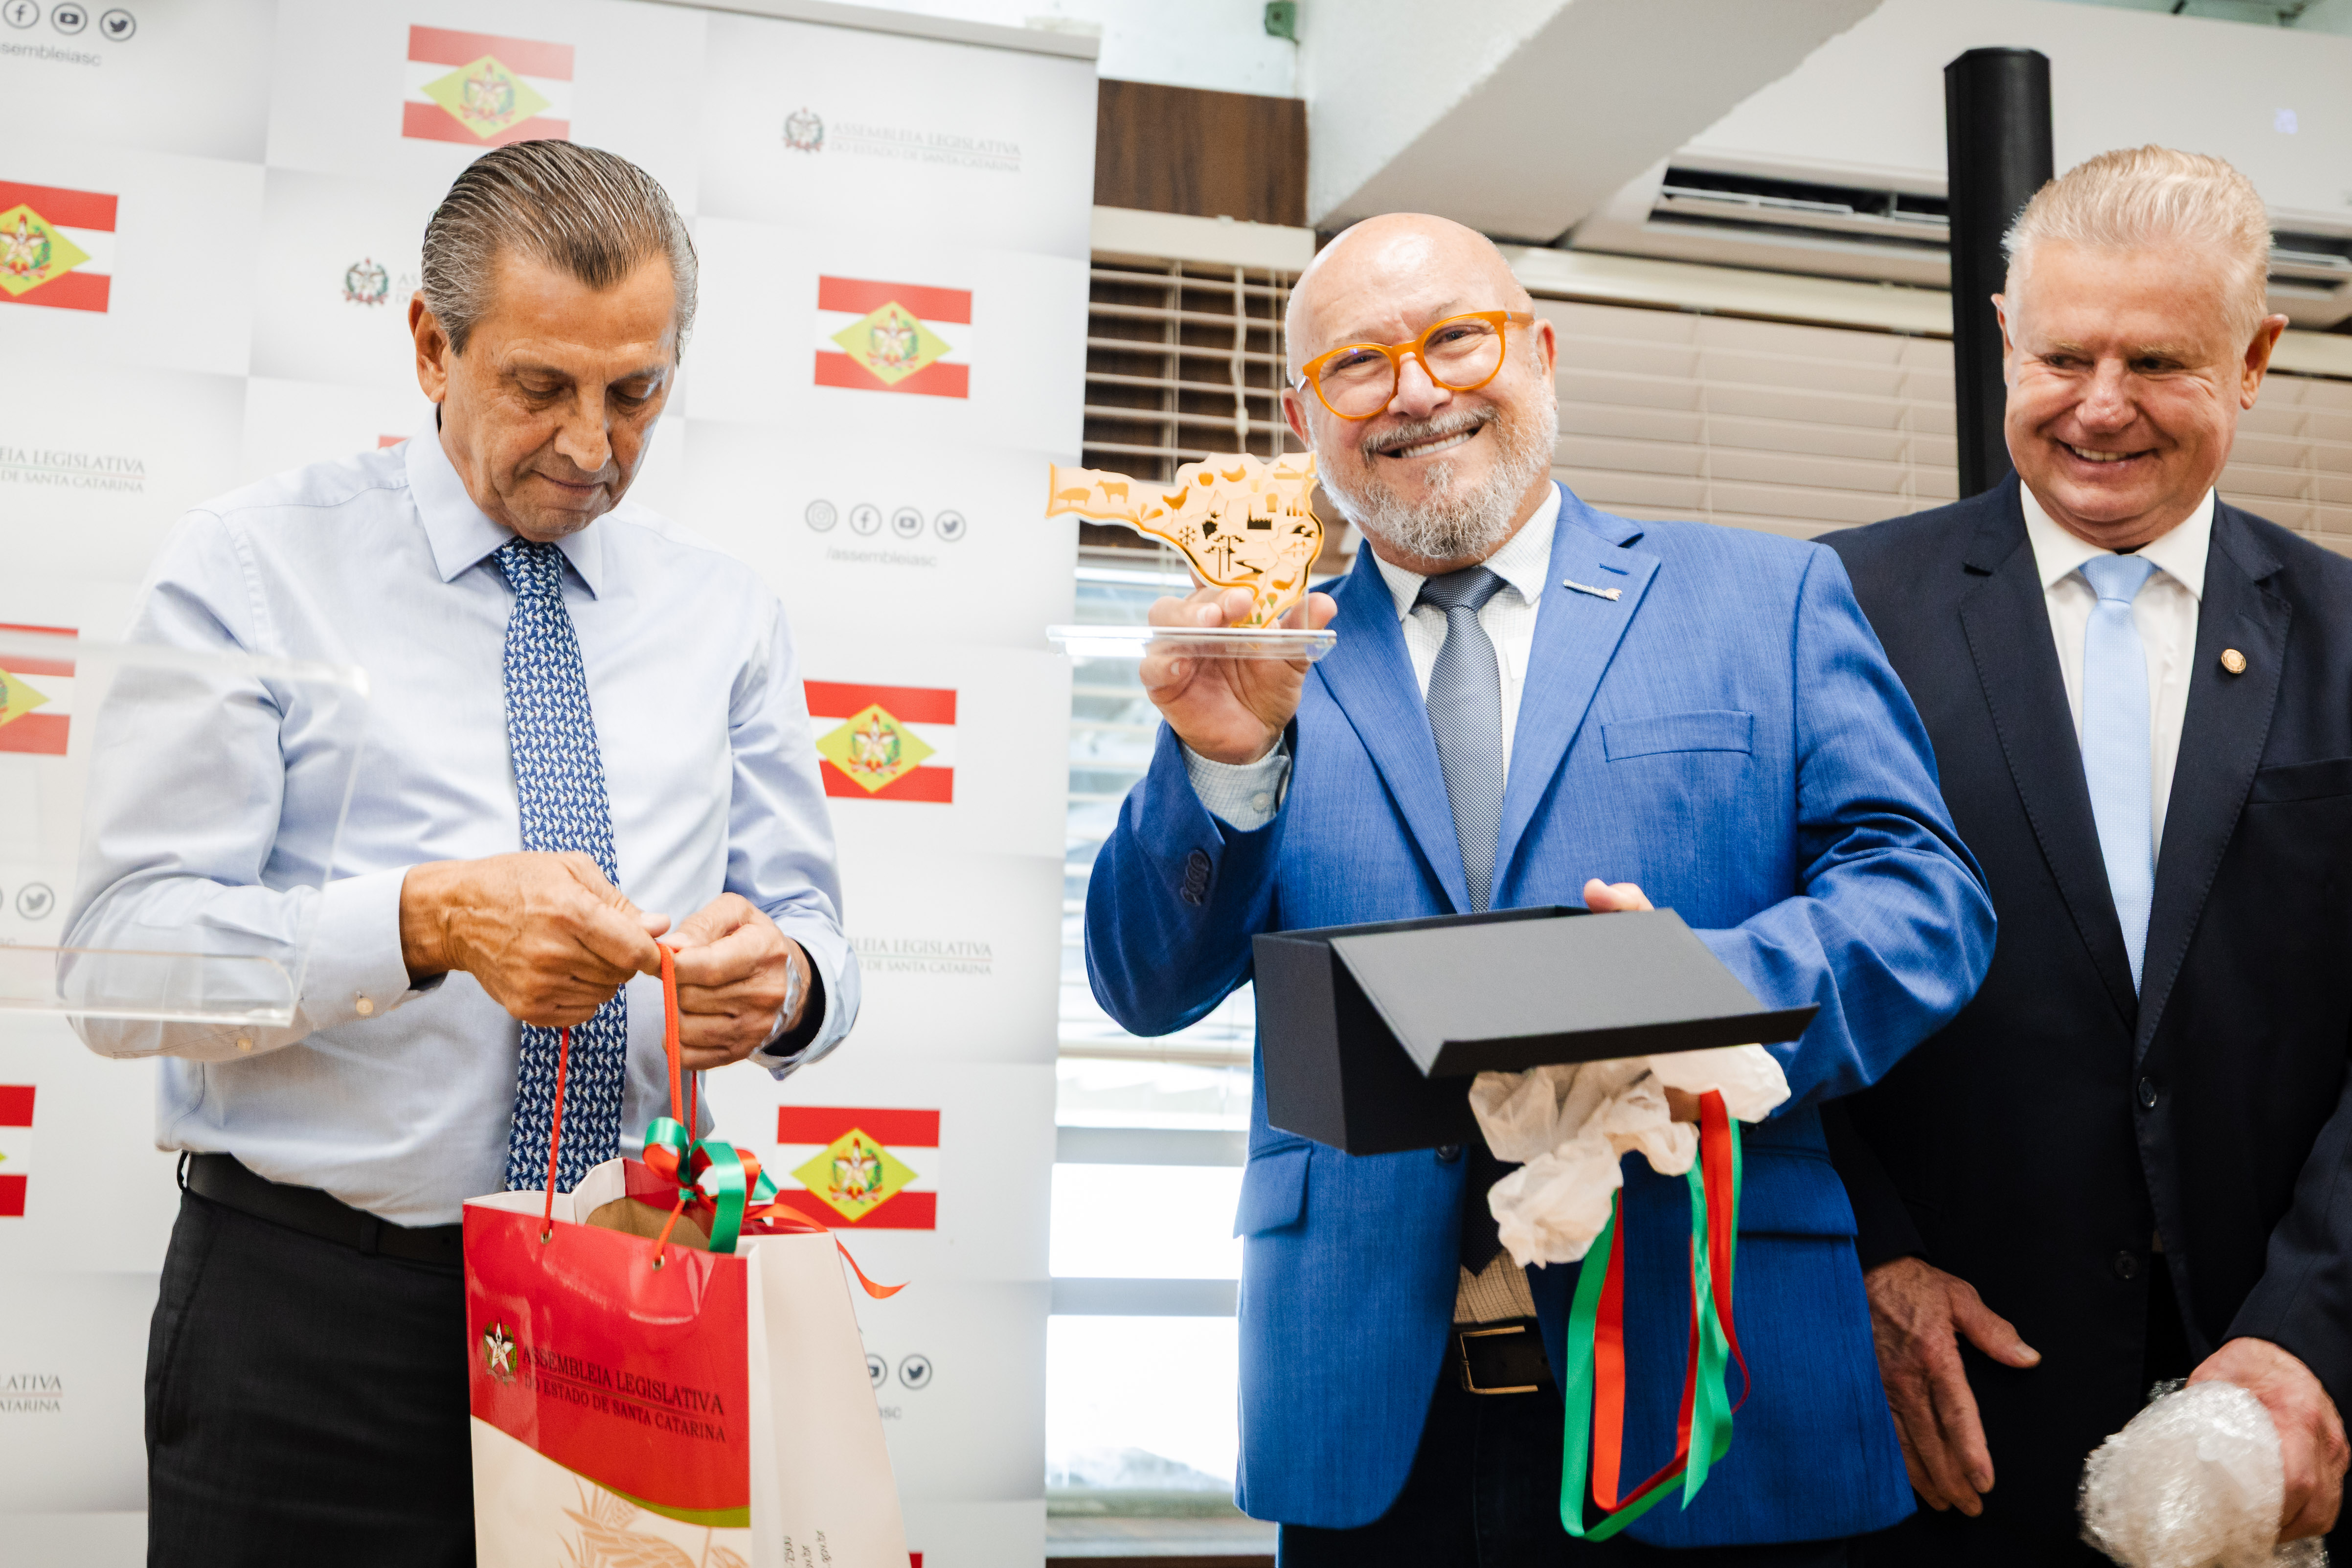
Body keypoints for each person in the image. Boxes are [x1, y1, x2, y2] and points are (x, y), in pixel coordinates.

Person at [1083, 212, 1995, 1563]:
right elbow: (1145, 987)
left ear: (1543, 354)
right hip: (1373, 1416)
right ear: (1303, 416)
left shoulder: (1769, 599)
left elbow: (1927, 902)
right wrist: (1221, 767)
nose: (1415, 391)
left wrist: (1695, 993)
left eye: (1457, 339)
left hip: (1715, 1387)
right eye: (1358, 363)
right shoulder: (1264, 660)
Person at [64, 140, 857, 1565]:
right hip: (315, 1328)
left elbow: (815, 937)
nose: (592, 447)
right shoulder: (251, 567)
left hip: (635, 1308)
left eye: (636, 394)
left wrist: (786, 985)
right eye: (540, 387)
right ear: (433, 346)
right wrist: (422, 924)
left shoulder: (727, 613)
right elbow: (120, 964)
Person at [1822, 146, 2352, 1565]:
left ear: (2255, 361)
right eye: (2063, 356)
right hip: (1944, 1431)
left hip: (2284, 1415)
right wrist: (1869, 1258)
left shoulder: (2349, 636)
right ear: (2005, 338)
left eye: (2159, 362)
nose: (2101, 406)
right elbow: (1748, 989)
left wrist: (2311, 1331)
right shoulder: (1832, 611)